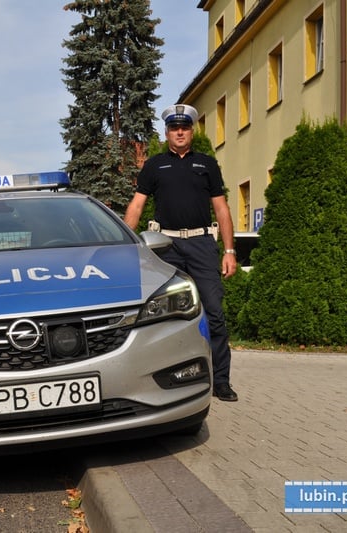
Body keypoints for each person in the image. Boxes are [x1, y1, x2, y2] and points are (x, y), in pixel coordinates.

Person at [124, 104, 239, 402]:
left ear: (191, 131)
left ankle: (221, 381)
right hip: (165, 247)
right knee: (161, 316)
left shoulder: (207, 164)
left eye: (184, 128)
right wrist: (125, 246)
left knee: (214, 313)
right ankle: (165, 380)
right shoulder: (153, 165)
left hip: (201, 245)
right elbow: (137, 206)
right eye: (174, 128)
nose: (179, 132)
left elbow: (222, 208)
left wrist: (229, 251)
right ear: (166, 133)